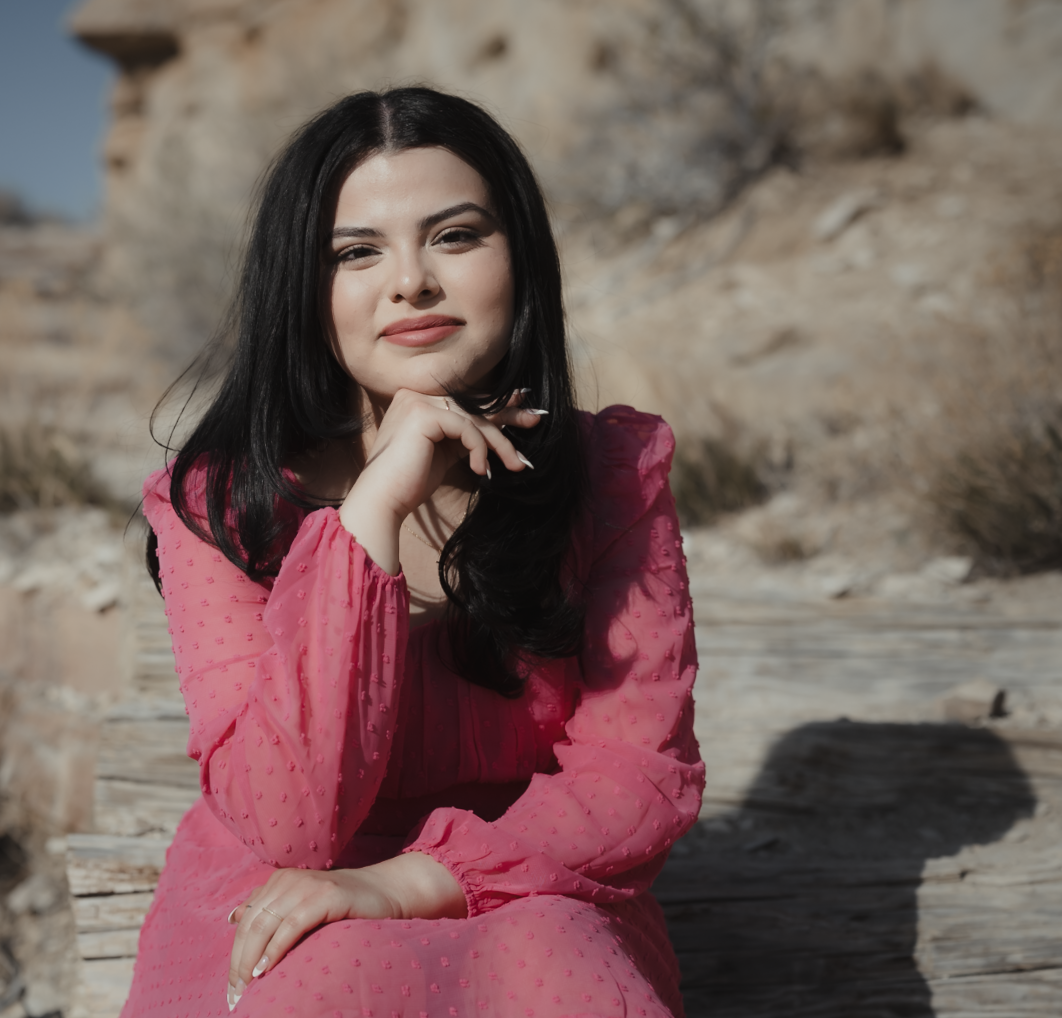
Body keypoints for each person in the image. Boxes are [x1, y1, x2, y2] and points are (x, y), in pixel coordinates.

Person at [125, 86, 703, 1018]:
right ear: (304, 292)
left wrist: (405, 883)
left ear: (522, 258)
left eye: (457, 236)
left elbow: (639, 783)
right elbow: (292, 825)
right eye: (357, 253)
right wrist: (376, 504)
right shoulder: (223, 504)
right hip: (285, 889)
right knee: (312, 983)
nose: (410, 284)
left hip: (532, 881)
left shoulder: (611, 474)